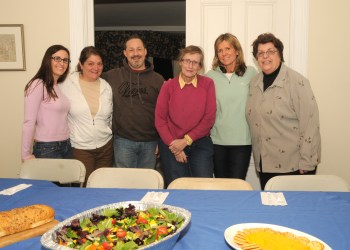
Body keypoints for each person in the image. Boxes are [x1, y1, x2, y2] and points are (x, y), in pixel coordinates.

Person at [246, 33, 321, 190]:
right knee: (272, 211)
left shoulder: (297, 82)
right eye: (260, 53)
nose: (265, 56)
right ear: (256, 58)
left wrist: (307, 162)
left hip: (293, 166)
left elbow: (310, 124)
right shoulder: (254, 83)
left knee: (295, 213)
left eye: (271, 51)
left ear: (280, 54)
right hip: (265, 164)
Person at [155, 45, 216, 186]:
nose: (190, 66)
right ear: (180, 62)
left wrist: (186, 141)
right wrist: (175, 147)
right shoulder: (168, 86)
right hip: (171, 143)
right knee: (177, 186)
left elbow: (208, 119)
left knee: (203, 186)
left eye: (195, 62)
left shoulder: (207, 84)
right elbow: (160, 120)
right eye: (187, 61)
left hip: (200, 143)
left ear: (200, 66)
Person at [102, 35, 164, 169]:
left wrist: (161, 140)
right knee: (124, 184)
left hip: (151, 142)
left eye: (139, 49)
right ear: (125, 53)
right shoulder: (111, 76)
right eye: (131, 50)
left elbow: (164, 113)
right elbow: (89, 76)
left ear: (145, 51)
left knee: (147, 183)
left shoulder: (158, 79)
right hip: (123, 142)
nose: (136, 54)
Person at [206, 33, 257, 180]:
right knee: (221, 185)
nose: (224, 53)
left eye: (227, 48)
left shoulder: (251, 73)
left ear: (237, 51)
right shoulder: (210, 76)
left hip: (242, 142)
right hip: (217, 141)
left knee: (237, 185)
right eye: (220, 50)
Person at [60, 46, 113, 183]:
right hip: (80, 148)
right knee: (84, 188)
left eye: (99, 64)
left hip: (105, 147)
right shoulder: (66, 85)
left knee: (103, 185)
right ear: (81, 64)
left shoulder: (106, 87)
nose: (95, 68)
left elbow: (110, 117)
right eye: (90, 63)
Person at [21, 45, 72, 161]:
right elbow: (29, 122)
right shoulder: (38, 84)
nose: (62, 63)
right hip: (47, 148)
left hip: (66, 145)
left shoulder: (57, 86)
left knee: (69, 180)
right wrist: (26, 154)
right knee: (50, 180)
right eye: (57, 58)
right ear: (48, 60)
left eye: (65, 60)